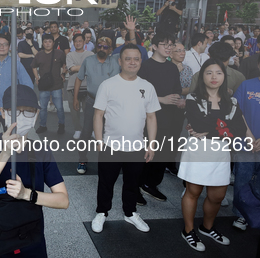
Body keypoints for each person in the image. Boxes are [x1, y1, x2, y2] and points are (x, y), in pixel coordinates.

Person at [0, 84, 69, 257]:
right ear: (3, 112)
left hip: (30, 239)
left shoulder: (41, 150)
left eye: (28, 111)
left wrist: (27, 194)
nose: (21, 117)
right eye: (14, 111)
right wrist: (5, 153)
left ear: (36, 115)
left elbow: (63, 200)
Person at [179, 58, 251, 251]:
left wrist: (212, 129)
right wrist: (224, 127)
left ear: (223, 77)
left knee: (217, 196)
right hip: (198, 151)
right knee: (193, 192)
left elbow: (239, 129)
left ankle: (207, 227)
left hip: (221, 153)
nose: (214, 77)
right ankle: (188, 231)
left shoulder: (232, 101)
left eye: (218, 73)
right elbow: (199, 125)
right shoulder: (193, 98)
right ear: (202, 76)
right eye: (209, 72)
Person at [91, 44, 159, 234]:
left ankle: (130, 213)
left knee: (132, 182)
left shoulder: (147, 86)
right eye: (128, 58)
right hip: (110, 146)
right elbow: (98, 115)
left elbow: (152, 117)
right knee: (106, 182)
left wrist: (151, 144)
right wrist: (99, 142)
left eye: (136, 59)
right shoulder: (108, 85)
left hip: (137, 146)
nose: (132, 62)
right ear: (120, 61)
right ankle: (102, 212)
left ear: (141, 61)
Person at [137, 32, 182, 203]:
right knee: (144, 153)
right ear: (154, 46)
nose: (169, 48)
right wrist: (161, 99)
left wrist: (177, 99)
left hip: (168, 116)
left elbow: (177, 89)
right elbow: (137, 93)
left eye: (171, 45)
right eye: (165, 44)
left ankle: (151, 184)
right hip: (147, 118)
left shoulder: (172, 67)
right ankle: (136, 186)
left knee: (162, 152)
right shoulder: (145, 67)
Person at [232, 48, 260, 232]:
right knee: (242, 178)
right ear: (258, 64)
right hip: (245, 142)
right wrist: (248, 135)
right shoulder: (246, 85)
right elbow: (236, 111)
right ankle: (241, 215)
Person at [73, 37, 120, 174]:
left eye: (105, 47)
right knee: (86, 132)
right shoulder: (89, 61)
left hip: (112, 103)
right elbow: (79, 78)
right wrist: (75, 98)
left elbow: (134, 50)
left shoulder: (117, 60)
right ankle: (82, 159)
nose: (102, 49)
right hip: (92, 101)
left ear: (110, 49)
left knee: (110, 132)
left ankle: (106, 162)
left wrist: (131, 31)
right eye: (99, 46)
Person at [0, 34, 34, 117]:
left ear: (9, 47)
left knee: (10, 130)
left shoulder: (16, 64)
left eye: (5, 44)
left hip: (10, 111)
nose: (2, 47)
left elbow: (28, 86)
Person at [31, 34, 67, 134]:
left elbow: (65, 64)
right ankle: (43, 125)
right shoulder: (39, 55)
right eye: (45, 42)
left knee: (59, 108)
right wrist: (37, 77)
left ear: (53, 43)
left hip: (57, 85)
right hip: (44, 86)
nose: (47, 44)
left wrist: (63, 73)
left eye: (50, 41)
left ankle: (61, 125)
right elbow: (33, 66)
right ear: (42, 43)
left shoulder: (59, 53)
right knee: (43, 108)